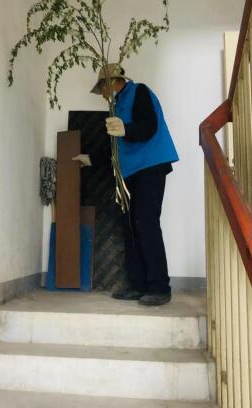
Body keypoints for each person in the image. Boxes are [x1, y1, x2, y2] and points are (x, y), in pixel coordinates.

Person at [73, 64, 179, 307]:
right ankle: (139, 286)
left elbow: (149, 126)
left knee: (146, 224)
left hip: (150, 166)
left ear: (111, 82)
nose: (102, 94)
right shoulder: (116, 105)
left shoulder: (139, 92)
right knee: (130, 226)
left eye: (102, 88)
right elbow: (115, 146)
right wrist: (90, 159)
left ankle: (160, 287)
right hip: (130, 172)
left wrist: (126, 129)